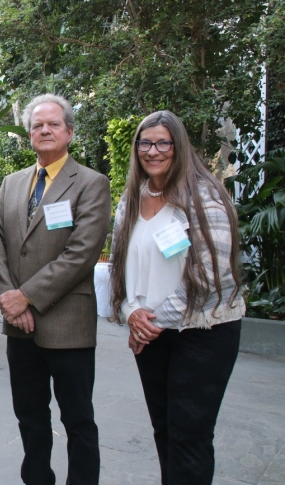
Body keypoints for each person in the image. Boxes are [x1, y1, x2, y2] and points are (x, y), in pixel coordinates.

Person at [109, 111, 245, 484]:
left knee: (190, 437)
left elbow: (210, 276)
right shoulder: (133, 199)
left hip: (202, 335)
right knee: (164, 431)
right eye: (145, 143)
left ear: (178, 146)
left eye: (163, 142)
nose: (153, 151)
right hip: (152, 334)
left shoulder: (205, 196)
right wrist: (131, 311)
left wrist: (148, 321)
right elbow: (120, 267)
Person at [0, 94, 111, 485]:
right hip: (19, 327)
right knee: (29, 416)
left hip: (68, 326)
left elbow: (82, 253)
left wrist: (25, 295)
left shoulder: (92, 184)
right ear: (29, 134)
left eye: (53, 124)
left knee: (77, 419)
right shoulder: (11, 184)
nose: (44, 130)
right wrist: (10, 300)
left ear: (70, 132)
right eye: (37, 125)